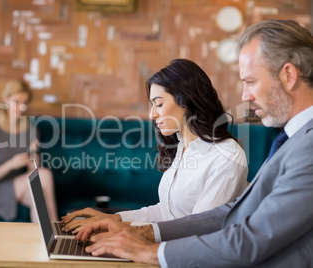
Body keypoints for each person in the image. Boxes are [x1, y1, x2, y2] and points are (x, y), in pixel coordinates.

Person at [75, 19, 313, 267]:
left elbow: (249, 240)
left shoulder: (306, 148)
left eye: (250, 82)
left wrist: (148, 252)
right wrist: (131, 228)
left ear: (288, 75)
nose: (244, 96)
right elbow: (227, 214)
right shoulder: (292, 140)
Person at [61, 59, 249, 233]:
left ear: (187, 102)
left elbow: (198, 229)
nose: (152, 114)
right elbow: (167, 213)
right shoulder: (183, 146)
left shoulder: (226, 156)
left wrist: (123, 230)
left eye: (158, 104)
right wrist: (114, 219)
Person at [0, 79, 58, 222]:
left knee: (38, 197)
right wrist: (12, 164)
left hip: (20, 185)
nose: (21, 107)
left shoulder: (32, 131)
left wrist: (33, 158)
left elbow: (34, 173)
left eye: (25, 102)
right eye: (16, 102)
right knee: (45, 175)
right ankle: (58, 234)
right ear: (5, 100)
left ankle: (46, 242)